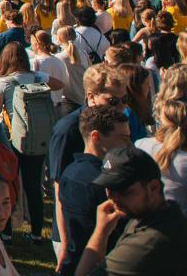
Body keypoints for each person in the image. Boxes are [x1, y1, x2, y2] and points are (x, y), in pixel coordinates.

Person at [0, 40, 61, 242]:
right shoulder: (37, 77)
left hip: (12, 138)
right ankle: (36, 230)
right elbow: (59, 84)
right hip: (37, 137)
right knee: (33, 185)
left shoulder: (4, 82)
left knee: (9, 184)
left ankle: (7, 230)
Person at [74, 144, 187, 275]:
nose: (112, 197)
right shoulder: (162, 214)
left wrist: (100, 232)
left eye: (123, 190)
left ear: (153, 188)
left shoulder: (147, 244)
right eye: (108, 188)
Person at [53, 105, 130, 275]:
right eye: (122, 138)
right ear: (96, 137)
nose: (128, 144)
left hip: (72, 262)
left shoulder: (70, 171)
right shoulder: (101, 183)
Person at [135, 99, 187, 211]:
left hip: (144, 218)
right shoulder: (184, 160)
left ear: (159, 123)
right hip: (178, 223)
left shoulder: (140, 145)